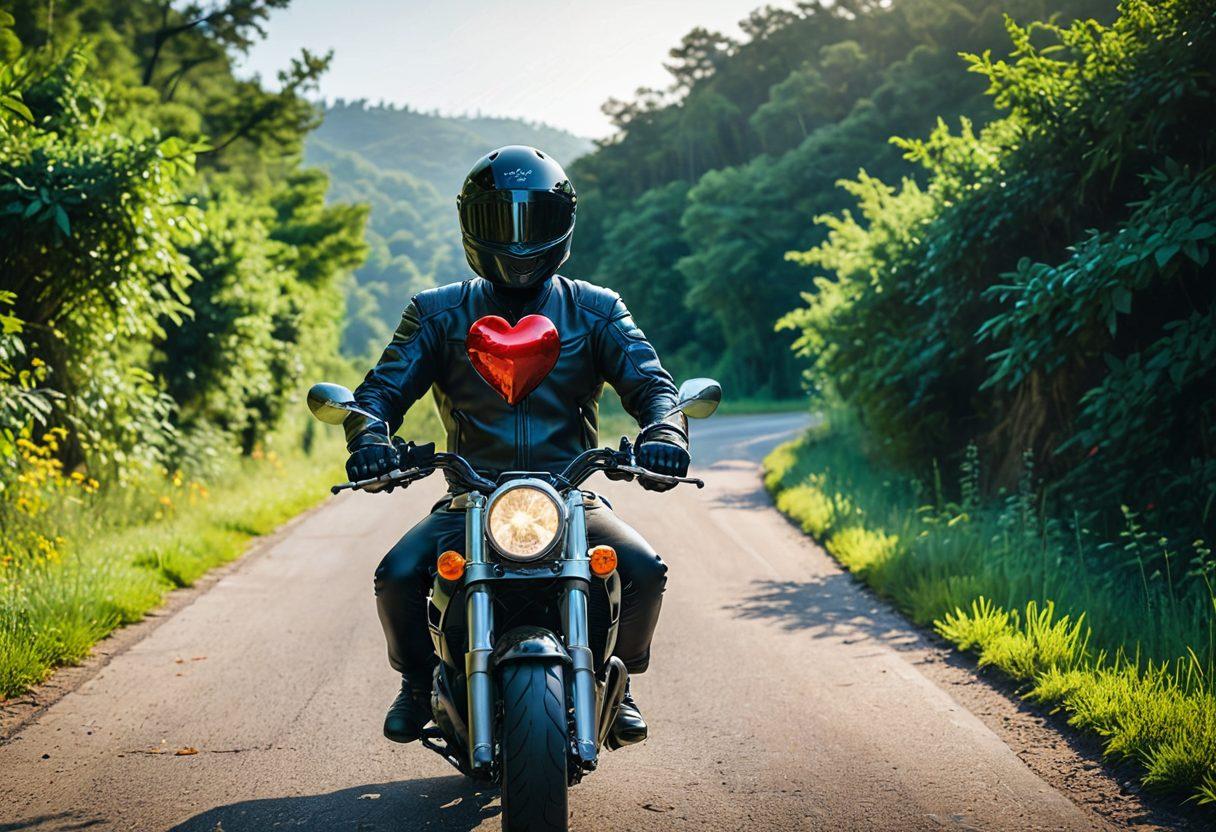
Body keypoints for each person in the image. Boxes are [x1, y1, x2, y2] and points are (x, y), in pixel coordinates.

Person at [344, 145, 691, 746]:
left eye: (534, 220)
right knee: (397, 574)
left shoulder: (597, 311)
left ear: (563, 224)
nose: (518, 239)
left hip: (569, 498)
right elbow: (377, 393)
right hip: (471, 501)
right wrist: (370, 437)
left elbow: (652, 385)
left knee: (643, 569)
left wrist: (665, 432)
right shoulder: (436, 314)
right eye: (499, 221)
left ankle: (618, 677)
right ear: (470, 226)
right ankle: (419, 680)